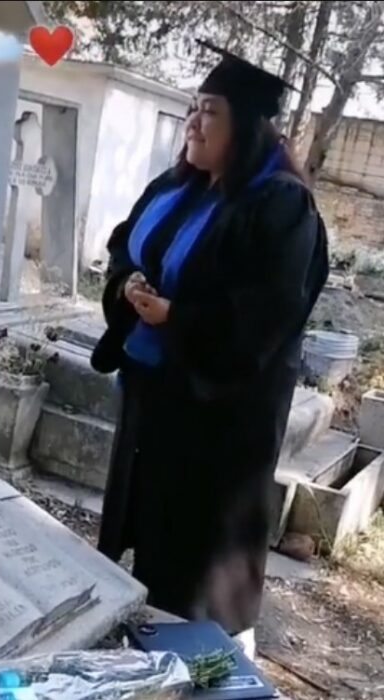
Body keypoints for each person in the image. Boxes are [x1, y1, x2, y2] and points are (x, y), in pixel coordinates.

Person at [90, 47, 329, 658]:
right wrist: (127, 286)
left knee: (193, 565)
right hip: (155, 398)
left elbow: (265, 316)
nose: (192, 123)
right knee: (144, 534)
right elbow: (125, 245)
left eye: (210, 112)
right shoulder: (181, 185)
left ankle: (200, 661)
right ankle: (140, 644)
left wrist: (179, 318)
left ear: (247, 127)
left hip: (217, 420)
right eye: (192, 109)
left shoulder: (281, 206)